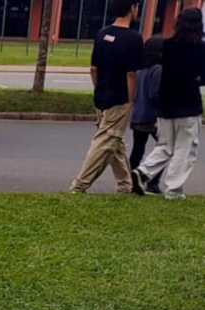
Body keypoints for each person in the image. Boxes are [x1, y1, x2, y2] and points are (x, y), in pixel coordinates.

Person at [68, 0, 144, 195]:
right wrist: (131, 99)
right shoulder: (134, 38)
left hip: (101, 95)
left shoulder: (102, 33)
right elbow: (131, 74)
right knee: (105, 143)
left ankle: (125, 186)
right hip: (119, 98)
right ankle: (79, 186)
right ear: (132, 8)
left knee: (114, 141)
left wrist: (99, 88)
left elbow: (94, 69)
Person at [132, 8, 205, 201]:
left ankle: (143, 171)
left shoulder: (168, 45)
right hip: (188, 105)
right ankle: (173, 190)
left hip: (165, 105)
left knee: (165, 145)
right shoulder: (200, 48)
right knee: (185, 148)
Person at [129, 35, 164, 195]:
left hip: (138, 114)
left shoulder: (140, 69)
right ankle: (152, 181)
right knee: (164, 149)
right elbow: (155, 94)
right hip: (152, 117)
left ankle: (130, 179)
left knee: (137, 149)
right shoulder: (158, 70)